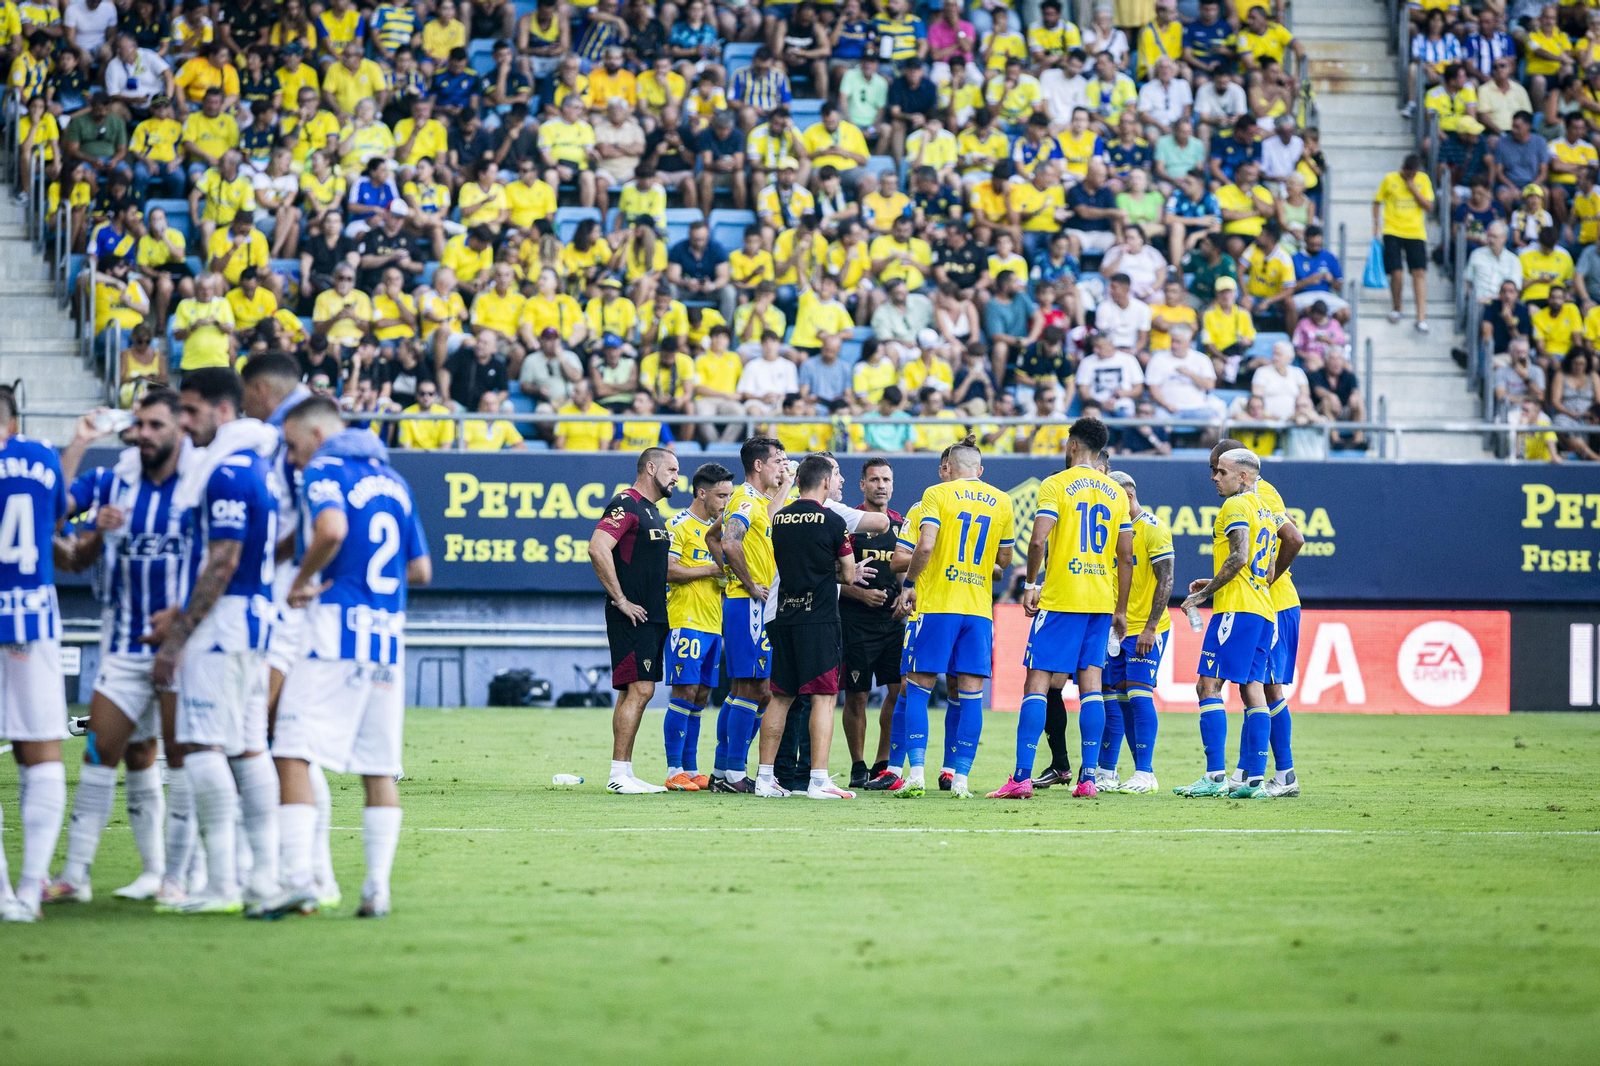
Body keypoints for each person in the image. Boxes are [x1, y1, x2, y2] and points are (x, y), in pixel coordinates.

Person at [253, 396, 431, 920]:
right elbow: (419, 570)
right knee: (377, 770)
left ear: (314, 433)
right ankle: (377, 888)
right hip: (385, 644)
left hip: (334, 638)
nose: (292, 458)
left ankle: (296, 879)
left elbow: (331, 530)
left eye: (292, 445)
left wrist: (303, 580)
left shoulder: (325, 469)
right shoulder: (394, 482)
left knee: (290, 751)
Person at [153, 368, 280, 914]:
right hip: (253, 623)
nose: (183, 423)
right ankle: (263, 876)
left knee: (203, 748)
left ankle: (222, 882)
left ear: (223, 411)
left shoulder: (227, 471)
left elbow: (223, 558)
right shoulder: (258, 466)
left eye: (191, 410)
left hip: (224, 627)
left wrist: (178, 635)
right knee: (250, 749)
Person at [996, 416, 1131, 799]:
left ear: (1072, 445)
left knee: (1037, 684)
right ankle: (1088, 779)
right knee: (1090, 687)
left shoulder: (1056, 483)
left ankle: (1021, 776)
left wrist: (1031, 583)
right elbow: (1126, 556)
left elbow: (1038, 540)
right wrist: (1120, 608)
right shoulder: (1115, 491)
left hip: (1062, 596)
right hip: (1101, 599)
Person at [898, 437, 1014, 799]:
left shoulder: (937, 493)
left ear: (950, 467)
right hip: (978, 611)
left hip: (938, 604)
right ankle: (960, 780)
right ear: (980, 470)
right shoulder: (1003, 500)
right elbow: (1005, 560)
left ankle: (915, 774)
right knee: (971, 696)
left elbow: (926, 545)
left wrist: (910, 582)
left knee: (918, 687)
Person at [1174, 448, 1283, 799]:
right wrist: (1211, 583)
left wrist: (1205, 595)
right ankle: (1253, 778)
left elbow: (1239, 557)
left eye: (1221, 472)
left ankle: (1215, 775)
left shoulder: (1235, 506)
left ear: (1244, 477)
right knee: (1252, 689)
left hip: (1236, 609)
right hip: (1263, 610)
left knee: (1207, 687)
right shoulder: (1264, 509)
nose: (1214, 477)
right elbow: (1253, 567)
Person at [0, 388, 69, 922]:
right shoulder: (43, 457)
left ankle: (2, 893)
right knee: (43, 754)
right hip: (33, 620)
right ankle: (29, 891)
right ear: (14, 420)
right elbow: (55, 528)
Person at [754, 455, 858, 800]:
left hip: (783, 615)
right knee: (824, 698)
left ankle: (765, 778)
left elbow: (770, 519)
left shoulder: (780, 517)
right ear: (826, 482)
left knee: (781, 697)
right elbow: (847, 573)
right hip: (820, 618)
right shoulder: (833, 520)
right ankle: (818, 780)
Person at [587, 448, 679, 796]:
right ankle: (618, 772)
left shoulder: (652, 511)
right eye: (671, 469)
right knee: (640, 689)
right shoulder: (626, 503)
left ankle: (624, 770)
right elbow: (598, 547)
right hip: (633, 615)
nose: (676, 476)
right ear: (650, 468)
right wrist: (621, 599)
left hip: (653, 615)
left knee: (633, 690)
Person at [1091, 470, 1170, 794]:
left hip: (1143, 630)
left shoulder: (1153, 528)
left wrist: (1150, 628)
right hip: (1114, 630)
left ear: (1126, 496)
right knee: (1116, 700)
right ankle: (1108, 771)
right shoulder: (1112, 529)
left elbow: (1166, 579)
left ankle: (1145, 773)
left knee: (1138, 697)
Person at [661, 463, 735, 792]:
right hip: (685, 619)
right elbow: (669, 571)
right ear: (701, 493)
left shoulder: (720, 532)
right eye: (721, 495)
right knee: (684, 691)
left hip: (712, 622)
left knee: (703, 695)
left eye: (730, 495)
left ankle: (691, 769)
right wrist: (712, 569)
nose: (726, 502)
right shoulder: (678, 524)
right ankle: (673, 768)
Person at [840, 458, 905, 790]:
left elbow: (912, 568)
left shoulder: (903, 525)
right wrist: (858, 594)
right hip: (855, 621)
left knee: (899, 691)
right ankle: (857, 764)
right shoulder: (848, 522)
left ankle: (883, 761)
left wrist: (906, 594)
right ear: (862, 485)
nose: (881, 485)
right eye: (875, 479)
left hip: (893, 622)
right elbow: (830, 573)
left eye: (887, 479)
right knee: (857, 695)